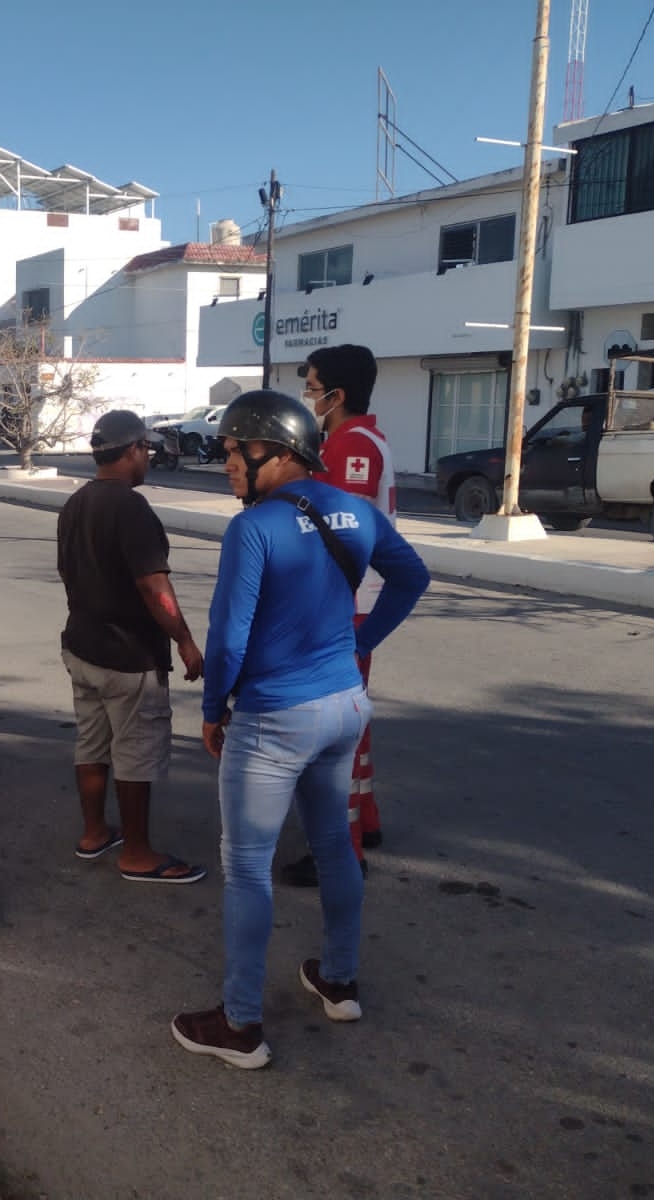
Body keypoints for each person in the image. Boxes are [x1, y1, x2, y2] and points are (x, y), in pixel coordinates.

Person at [171, 389, 427, 1068]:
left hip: (274, 719)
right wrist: (363, 640)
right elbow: (412, 576)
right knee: (335, 846)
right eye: (224, 448)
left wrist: (211, 709)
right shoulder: (357, 510)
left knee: (248, 868)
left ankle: (240, 1024)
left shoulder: (253, 528)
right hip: (344, 707)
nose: (226, 461)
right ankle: (338, 982)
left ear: (281, 453)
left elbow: (227, 640)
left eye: (236, 449)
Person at [55, 409, 207, 885]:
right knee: (135, 753)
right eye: (146, 448)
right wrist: (183, 639)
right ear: (132, 450)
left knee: (92, 744)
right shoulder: (131, 508)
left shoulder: (76, 503)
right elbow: (153, 586)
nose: (150, 457)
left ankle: (95, 832)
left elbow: (68, 572)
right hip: (127, 655)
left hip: (82, 648)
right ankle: (137, 853)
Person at [280, 343, 397, 889]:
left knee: (333, 736)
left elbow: (339, 533)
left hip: (344, 609)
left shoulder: (353, 445)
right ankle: (364, 823)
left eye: (312, 385)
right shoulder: (357, 439)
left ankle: (340, 853)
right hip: (354, 607)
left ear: (337, 395)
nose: (307, 395)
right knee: (354, 726)